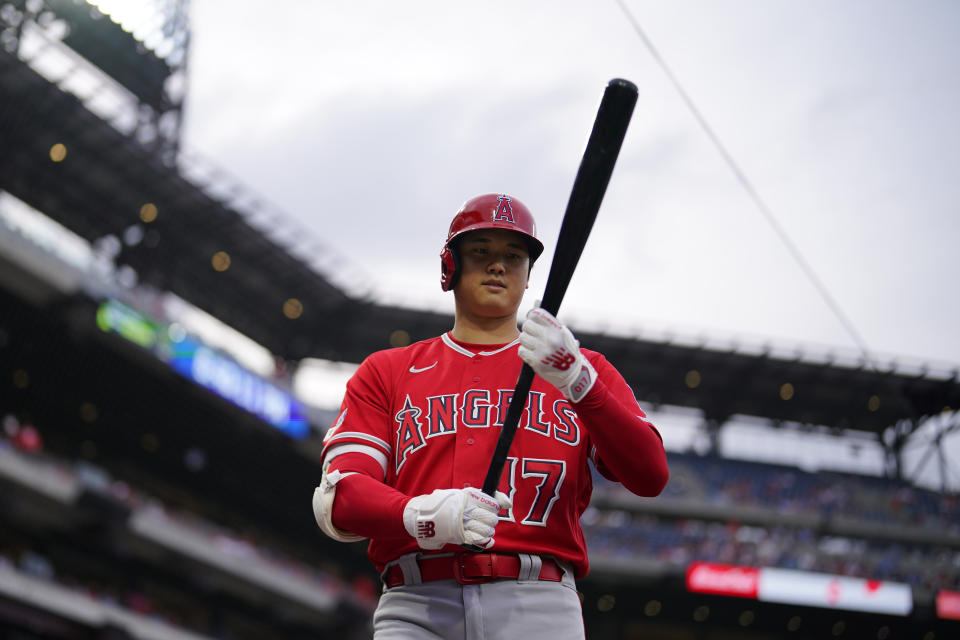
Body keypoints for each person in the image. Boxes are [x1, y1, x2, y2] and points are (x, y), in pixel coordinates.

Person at [313, 193, 668, 639]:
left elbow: (650, 475)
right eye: (481, 250)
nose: (498, 265)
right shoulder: (388, 371)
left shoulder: (580, 369)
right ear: (450, 265)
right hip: (416, 604)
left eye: (513, 256)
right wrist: (424, 516)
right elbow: (340, 500)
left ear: (526, 276)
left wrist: (580, 383)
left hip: (538, 605)